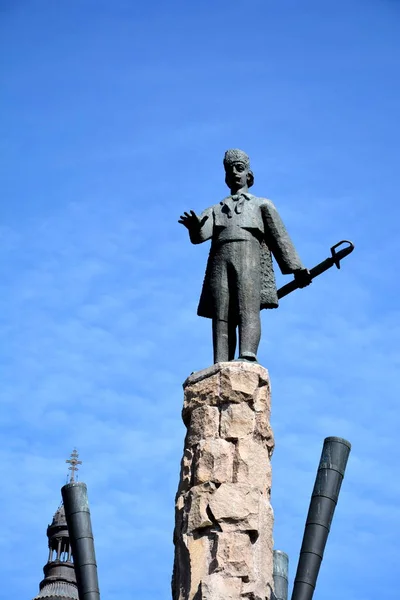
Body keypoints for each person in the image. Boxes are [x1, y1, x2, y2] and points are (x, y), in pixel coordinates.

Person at [179, 149, 311, 363]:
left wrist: (297, 269)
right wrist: (193, 227)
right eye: (230, 170)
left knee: (247, 305)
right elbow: (200, 236)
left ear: (249, 174)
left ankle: (247, 353)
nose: (235, 173)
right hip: (220, 257)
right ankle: (221, 360)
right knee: (221, 311)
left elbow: (280, 238)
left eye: (239, 168)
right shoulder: (216, 208)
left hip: (249, 255)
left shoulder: (261, 205)